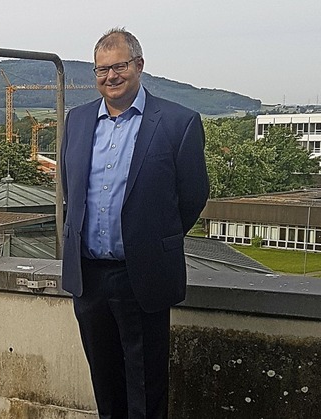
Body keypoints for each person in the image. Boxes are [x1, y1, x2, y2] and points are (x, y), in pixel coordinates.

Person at [60, 28, 209, 419]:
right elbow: (69, 192)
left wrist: (151, 241)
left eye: (119, 66)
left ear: (139, 66)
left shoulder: (179, 123)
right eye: (101, 70)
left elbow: (192, 197)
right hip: (88, 278)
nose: (110, 76)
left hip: (141, 276)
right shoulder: (76, 122)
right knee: (105, 385)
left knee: (146, 390)